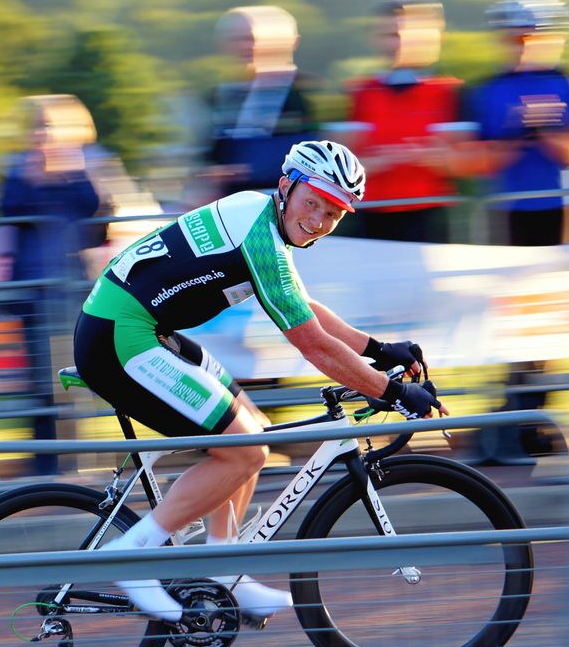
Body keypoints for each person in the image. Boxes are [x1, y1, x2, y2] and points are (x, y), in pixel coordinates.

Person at [77, 140, 443, 622]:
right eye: (312, 203)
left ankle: (220, 570)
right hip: (121, 337)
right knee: (246, 449)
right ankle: (135, 553)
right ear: (286, 187)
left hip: (142, 330)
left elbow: (304, 309)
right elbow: (312, 345)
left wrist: (377, 349)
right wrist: (393, 392)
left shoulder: (261, 218)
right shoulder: (259, 234)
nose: (318, 221)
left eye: (333, 214)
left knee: (250, 425)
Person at [463, 0, 569, 461]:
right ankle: (511, 416)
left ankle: (537, 414)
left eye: (533, 37)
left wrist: (547, 131)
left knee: (552, 317)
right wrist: (512, 134)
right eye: (515, 38)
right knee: (510, 317)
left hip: (561, 211)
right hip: (508, 214)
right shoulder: (487, 89)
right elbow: (475, 161)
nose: (523, 46)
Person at [0, 95, 104, 476]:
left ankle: (76, 456)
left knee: (76, 370)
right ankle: (44, 460)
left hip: (73, 285)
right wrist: (34, 173)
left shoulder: (87, 169)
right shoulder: (18, 172)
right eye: (38, 125)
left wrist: (68, 168)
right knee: (40, 375)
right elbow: (9, 210)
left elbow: (96, 213)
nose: (43, 134)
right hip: (34, 284)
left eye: (51, 125)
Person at [344, 0, 465, 243]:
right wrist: (381, 161)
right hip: (371, 214)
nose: (396, 43)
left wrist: (434, 157)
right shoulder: (360, 92)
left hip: (429, 214)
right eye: (388, 35)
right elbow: (342, 166)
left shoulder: (450, 91)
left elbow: (469, 162)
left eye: (403, 34)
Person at [188, 6, 321, 206]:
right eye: (236, 39)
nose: (246, 46)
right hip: (234, 209)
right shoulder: (217, 96)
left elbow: (319, 154)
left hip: (291, 208)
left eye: (250, 38)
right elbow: (209, 156)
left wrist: (247, 169)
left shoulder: (307, 92)